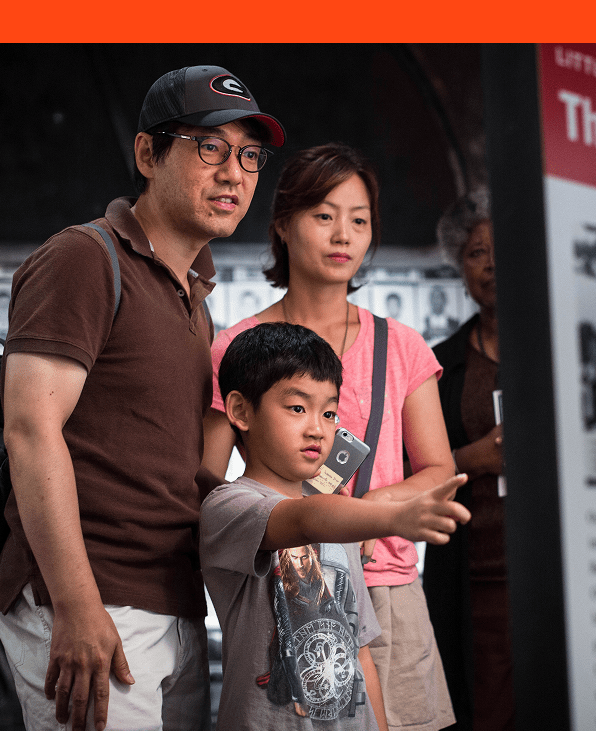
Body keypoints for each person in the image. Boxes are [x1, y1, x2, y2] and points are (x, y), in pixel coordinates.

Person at [0, 64, 285, 731]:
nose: (234, 172)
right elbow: (31, 430)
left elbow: (171, 471)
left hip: (173, 605)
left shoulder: (195, 297)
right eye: (209, 147)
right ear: (148, 154)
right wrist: (76, 602)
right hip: (95, 602)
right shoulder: (86, 259)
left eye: (249, 155)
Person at [202, 143, 459, 731]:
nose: (344, 233)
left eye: (360, 219)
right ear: (283, 224)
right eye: (324, 214)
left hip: (387, 586)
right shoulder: (238, 349)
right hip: (286, 586)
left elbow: (437, 470)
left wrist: (368, 514)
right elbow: (208, 477)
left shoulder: (403, 346)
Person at [200, 322, 470, 730]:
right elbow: (305, 520)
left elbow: (361, 652)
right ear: (240, 411)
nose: (318, 428)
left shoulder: (339, 523)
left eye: (329, 412)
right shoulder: (230, 507)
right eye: (297, 408)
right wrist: (393, 515)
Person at [422, 188, 514, 731]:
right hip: (474, 576)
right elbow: (413, 473)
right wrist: (472, 458)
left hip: (554, 571)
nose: (493, 262)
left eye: (503, 247)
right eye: (477, 252)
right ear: (460, 266)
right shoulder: (439, 367)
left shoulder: (562, 352)